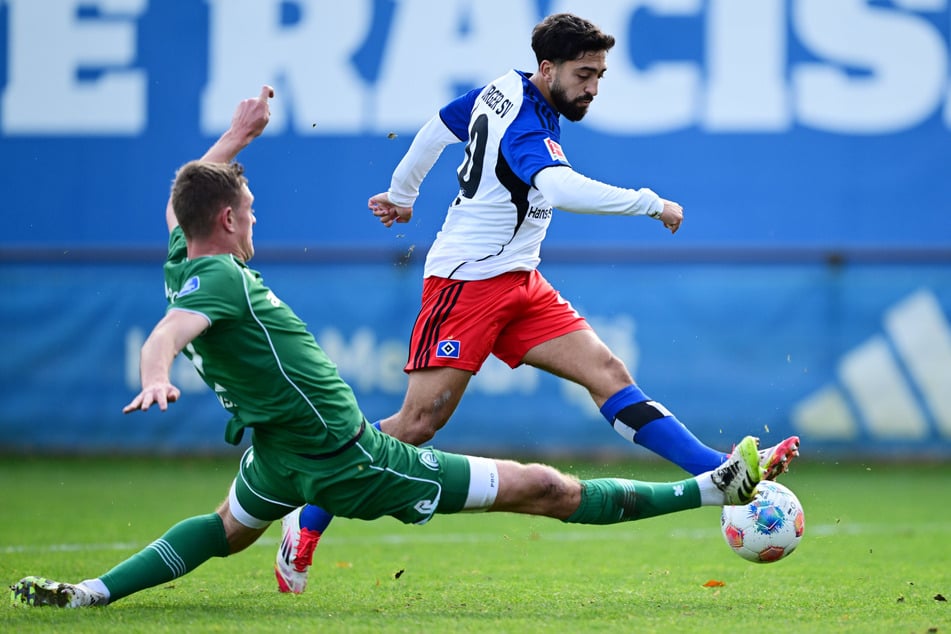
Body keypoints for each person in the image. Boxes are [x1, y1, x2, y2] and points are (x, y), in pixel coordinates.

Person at [9, 85, 769, 610]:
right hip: (350, 460)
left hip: (277, 454)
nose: (254, 219)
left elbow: (184, 207)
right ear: (232, 223)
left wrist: (237, 138)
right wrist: (156, 372)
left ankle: (90, 593)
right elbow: (171, 331)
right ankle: (709, 489)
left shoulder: (182, 256)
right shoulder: (223, 282)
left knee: (225, 531)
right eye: (249, 210)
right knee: (545, 488)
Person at [281, 12, 801, 594]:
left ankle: (722, 471)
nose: (594, 88)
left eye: (601, 75)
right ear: (548, 68)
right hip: (466, 285)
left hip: (519, 280)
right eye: (585, 74)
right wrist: (650, 203)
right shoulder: (527, 124)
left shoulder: (503, 89)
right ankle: (307, 513)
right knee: (417, 424)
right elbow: (556, 187)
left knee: (607, 373)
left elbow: (436, 128)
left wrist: (403, 194)